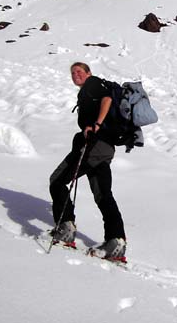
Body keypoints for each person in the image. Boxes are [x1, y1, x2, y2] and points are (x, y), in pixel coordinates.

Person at [49, 62, 126, 260]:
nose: (76, 75)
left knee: (57, 180)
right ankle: (116, 241)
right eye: (73, 73)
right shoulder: (89, 89)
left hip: (94, 146)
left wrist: (96, 125)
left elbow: (107, 99)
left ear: (88, 73)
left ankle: (65, 228)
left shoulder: (93, 84)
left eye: (79, 71)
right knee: (103, 194)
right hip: (104, 149)